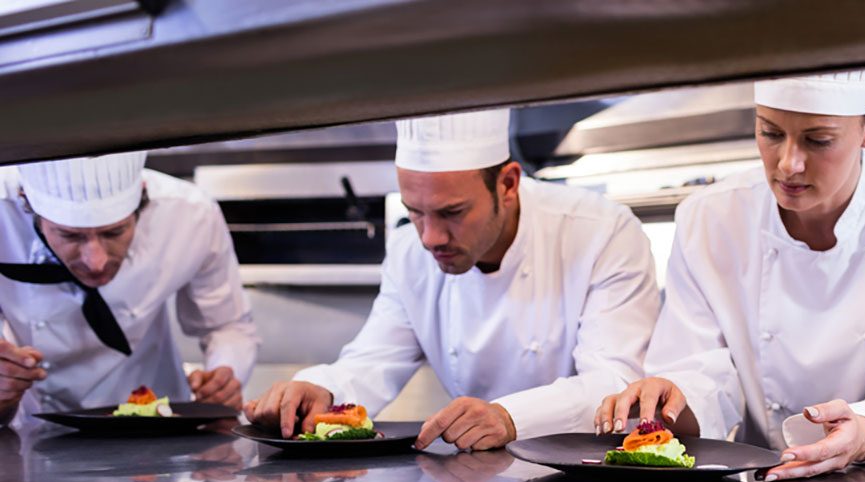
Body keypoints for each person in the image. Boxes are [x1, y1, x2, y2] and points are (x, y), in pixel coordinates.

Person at [595, 69, 865, 482]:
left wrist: (861, 433)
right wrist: (671, 397)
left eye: (818, 140)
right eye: (770, 133)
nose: (788, 164)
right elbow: (698, 370)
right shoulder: (709, 218)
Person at [246, 109, 659, 451]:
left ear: (508, 184)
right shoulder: (410, 253)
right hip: (470, 481)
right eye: (415, 212)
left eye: (452, 213)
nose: (430, 238)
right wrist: (321, 388)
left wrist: (509, 417)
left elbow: (615, 385)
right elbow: (373, 360)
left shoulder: (602, 232)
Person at [0, 151, 258, 426]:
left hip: (157, 424)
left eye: (114, 232)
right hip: (31, 428)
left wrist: (223, 374)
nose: (95, 262)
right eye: (69, 235)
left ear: (141, 198)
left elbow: (227, 324)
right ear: (25, 200)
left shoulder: (189, 214)